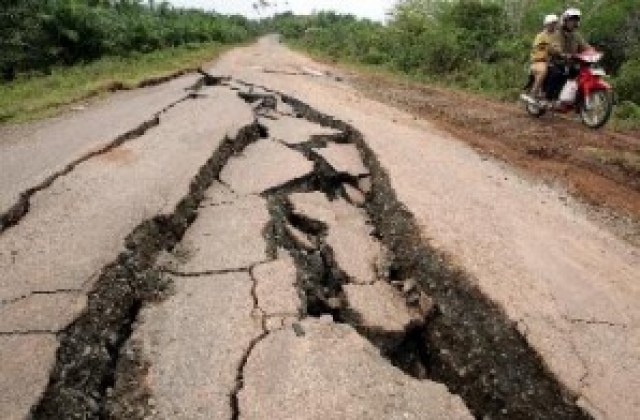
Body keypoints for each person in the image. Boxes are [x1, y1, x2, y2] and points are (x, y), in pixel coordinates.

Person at [526, 14, 561, 103]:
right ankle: (533, 93)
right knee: (543, 70)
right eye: (551, 23)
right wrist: (548, 48)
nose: (553, 25)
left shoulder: (557, 35)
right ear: (546, 24)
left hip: (553, 60)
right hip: (539, 60)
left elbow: (559, 47)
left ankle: (554, 96)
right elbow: (538, 47)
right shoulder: (541, 35)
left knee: (563, 72)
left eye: (555, 23)